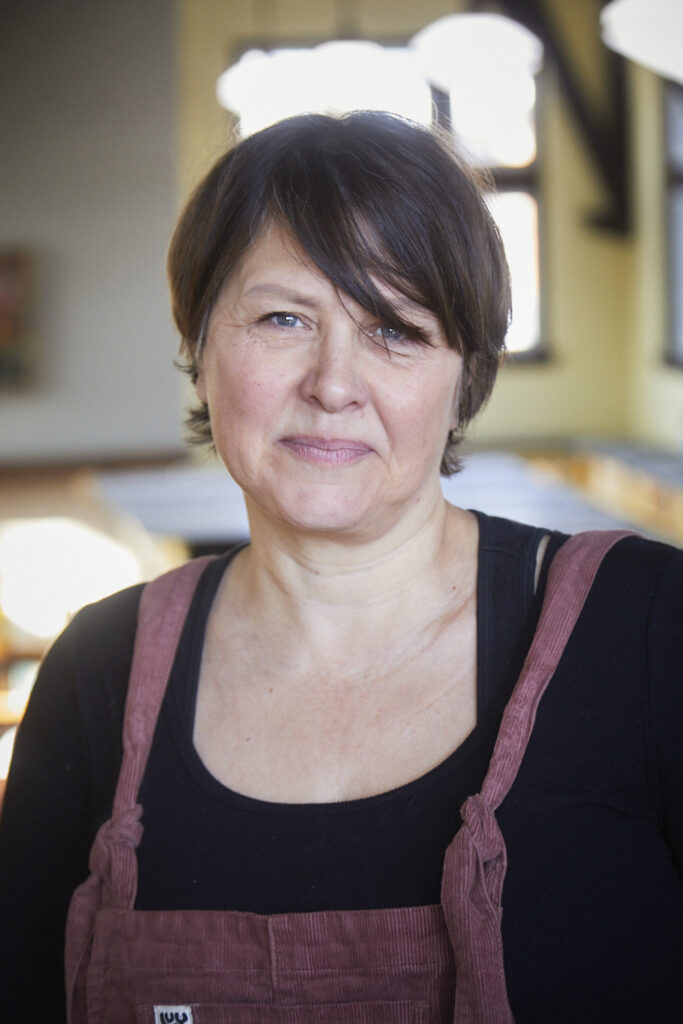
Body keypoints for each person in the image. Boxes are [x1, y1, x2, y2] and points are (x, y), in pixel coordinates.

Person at [0, 111, 681, 1023]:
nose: (332, 383)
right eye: (282, 317)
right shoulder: (99, 670)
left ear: (464, 376)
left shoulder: (647, 629)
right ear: (200, 350)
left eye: (394, 329)